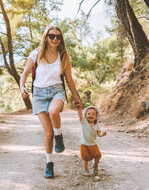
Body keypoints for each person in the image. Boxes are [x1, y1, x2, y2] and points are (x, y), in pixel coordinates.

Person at [19, 25, 82, 179]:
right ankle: (49, 163)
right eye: (52, 36)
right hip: (39, 95)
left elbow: (69, 80)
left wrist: (77, 98)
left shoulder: (64, 55)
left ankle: (59, 135)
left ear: (61, 39)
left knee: (54, 111)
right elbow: (25, 73)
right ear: (46, 37)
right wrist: (22, 87)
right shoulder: (36, 54)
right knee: (48, 134)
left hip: (56, 91)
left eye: (58, 37)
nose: (55, 39)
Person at [75, 105, 106, 176]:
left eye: (93, 114)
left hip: (93, 144)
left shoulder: (97, 125)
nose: (91, 115)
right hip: (84, 144)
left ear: (96, 116)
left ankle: (95, 166)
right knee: (85, 158)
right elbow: (80, 115)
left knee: (98, 155)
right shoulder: (84, 122)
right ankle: (85, 170)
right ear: (85, 115)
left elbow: (99, 134)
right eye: (88, 114)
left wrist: (102, 134)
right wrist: (79, 108)